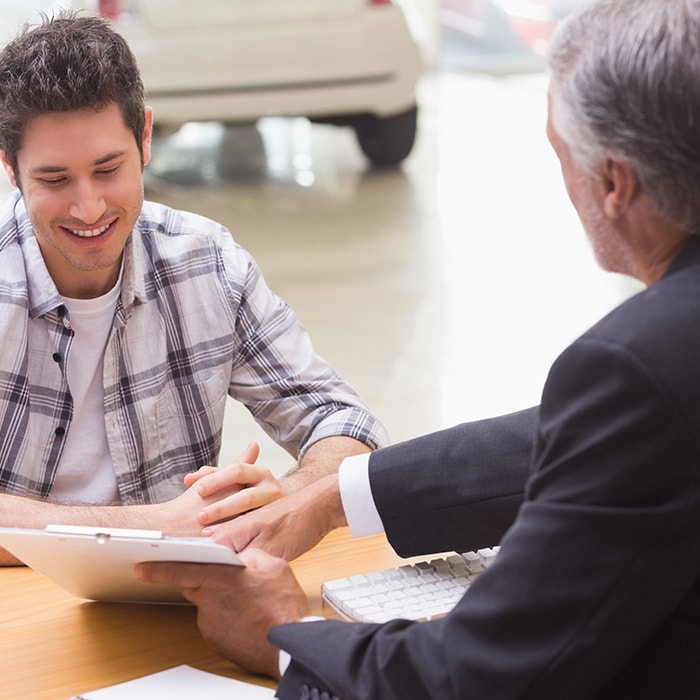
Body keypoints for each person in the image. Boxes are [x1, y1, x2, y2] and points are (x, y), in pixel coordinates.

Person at [137, 0, 700, 697]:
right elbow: (588, 441)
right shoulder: (658, 363)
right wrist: (330, 496)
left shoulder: (642, 362)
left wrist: (285, 643)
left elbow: (476, 677)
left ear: (613, 184)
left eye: (561, 156)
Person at [0, 13, 388, 565]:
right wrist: (154, 526)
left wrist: (286, 499)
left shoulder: (207, 262)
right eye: (55, 180)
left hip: (173, 600)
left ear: (145, 136)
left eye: (108, 169)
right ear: (11, 169)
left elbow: (346, 422)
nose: (88, 208)